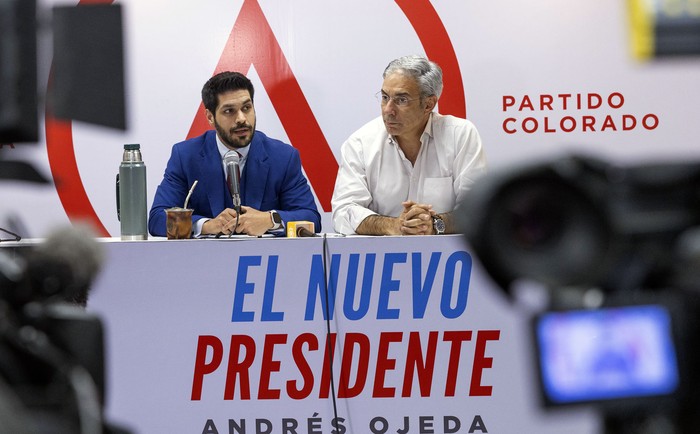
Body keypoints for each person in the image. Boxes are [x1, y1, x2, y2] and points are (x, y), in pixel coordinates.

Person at [148, 71, 321, 237]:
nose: (241, 119)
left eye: (246, 108)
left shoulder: (283, 157)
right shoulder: (186, 156)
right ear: (210, 117)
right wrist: (207, 225)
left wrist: (270, 220)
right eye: (229, 111)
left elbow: (311, 218)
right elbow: (157, 218)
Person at [331, 55, 487, 235]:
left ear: (429, 104)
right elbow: (343, 211)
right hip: (381, 258)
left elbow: (478, 209)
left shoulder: (460, 134)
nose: (388, 110)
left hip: (447, 257)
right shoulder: (360, 143)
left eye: (401, 100)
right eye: (384, 97)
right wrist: (394, 226)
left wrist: (434, 224)